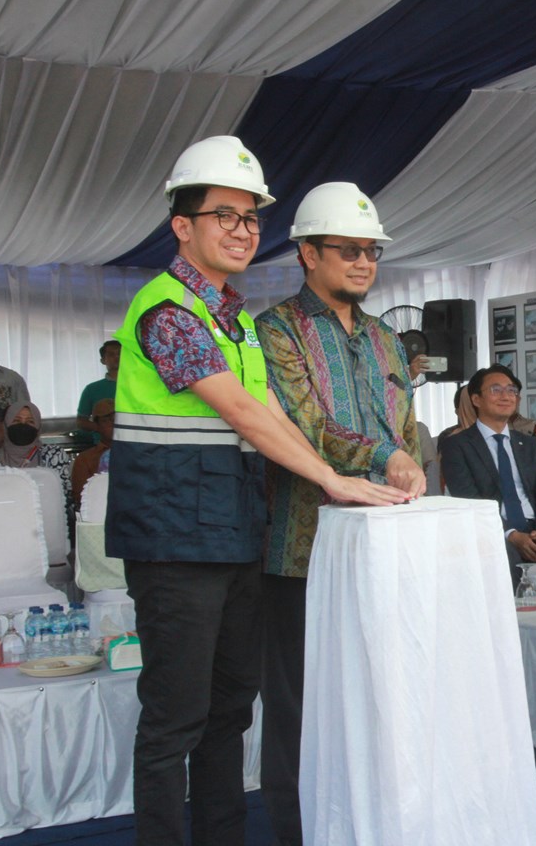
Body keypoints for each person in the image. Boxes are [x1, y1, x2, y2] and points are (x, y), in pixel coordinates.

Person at [105, 136, 408, 846]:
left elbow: (270, 412)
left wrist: (346, 477)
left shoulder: (234, 319)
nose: (243, 231)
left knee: (230, 711)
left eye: (251, 218)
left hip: (235, 533)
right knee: (174, 719)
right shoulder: (167, 311)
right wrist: (336, 479)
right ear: (183, 226)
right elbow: (240, 411)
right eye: (225, 215)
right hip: (175, 541)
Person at [254, 182, 427, 846]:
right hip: (300, 552)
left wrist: (404, 466)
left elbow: (407, 433)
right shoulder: (275, 332)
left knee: (379, 699)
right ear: (307, 253)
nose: (363, 262)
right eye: (348, 250)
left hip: (385, 551)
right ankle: (298, 834)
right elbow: (306, 428)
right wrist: (387, 457)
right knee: (300, 708)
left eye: (371, 251)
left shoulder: (385, 340)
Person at [440, 365, 536, 584]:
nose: (506, 396)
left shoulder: (527, 443)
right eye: (496, 390)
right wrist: (510, 533)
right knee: (504, 558)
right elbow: (469, 499)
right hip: (491, 532)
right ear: (476, 399)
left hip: (534, 529)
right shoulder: (456, 445)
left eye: (511, 391)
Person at [0, 400, 73, 517]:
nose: (23, 425)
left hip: (48, 520)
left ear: (38, 427)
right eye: (17, 421)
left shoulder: (54, 455)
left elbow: (64, 496)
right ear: (6, 425)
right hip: (4, 521)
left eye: (30, 422)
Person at [71, 398, 115, 509]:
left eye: (116, 419)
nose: (113, 424)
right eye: (106, 420)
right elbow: (81, 498)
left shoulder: (136, 455)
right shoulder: (85, 459)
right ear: (97, 425)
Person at [76, 340, 120, 440]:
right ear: (103, 360)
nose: (117, 357)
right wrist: (102, 428)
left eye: (120, 354)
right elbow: (81, 421)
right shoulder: (92, 389)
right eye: (111, 354)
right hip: (103, 446)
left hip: (133, 445)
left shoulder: (137, 386)